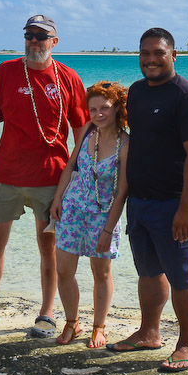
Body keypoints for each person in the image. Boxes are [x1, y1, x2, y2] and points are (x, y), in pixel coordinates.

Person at [0, 15, 88, 338]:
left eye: (41, 36)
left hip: (52, 177)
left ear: (54, 41)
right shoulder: (5, 71)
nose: (34, 41)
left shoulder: (69, 77)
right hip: (7, 174)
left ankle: (47, 314)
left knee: (48, 247)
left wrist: (79, 174)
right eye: (29, 35)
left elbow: (82, 129)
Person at [106, 28, 188, 372]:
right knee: (148, 272)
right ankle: (149, 333)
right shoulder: (137, 92)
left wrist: (186, 208)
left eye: (159, 53)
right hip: (140, 201)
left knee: (181, 275)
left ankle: (187, 344)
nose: (151, 59)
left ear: (173, 55)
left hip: (175, 202)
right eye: (145, 53)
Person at [49, 81, 129, 347]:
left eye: (104, 108)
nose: (98, 114)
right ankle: (72, 323)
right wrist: (58, 199)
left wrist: (108, 230)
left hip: (103, 215)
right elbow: (70, 165)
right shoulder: (87, 131)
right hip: (73, 210)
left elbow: (122, 193)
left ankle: (99, 326)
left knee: (101, 273)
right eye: (93, 109)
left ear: (116, 108)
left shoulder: (125, 144)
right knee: (64, 270)